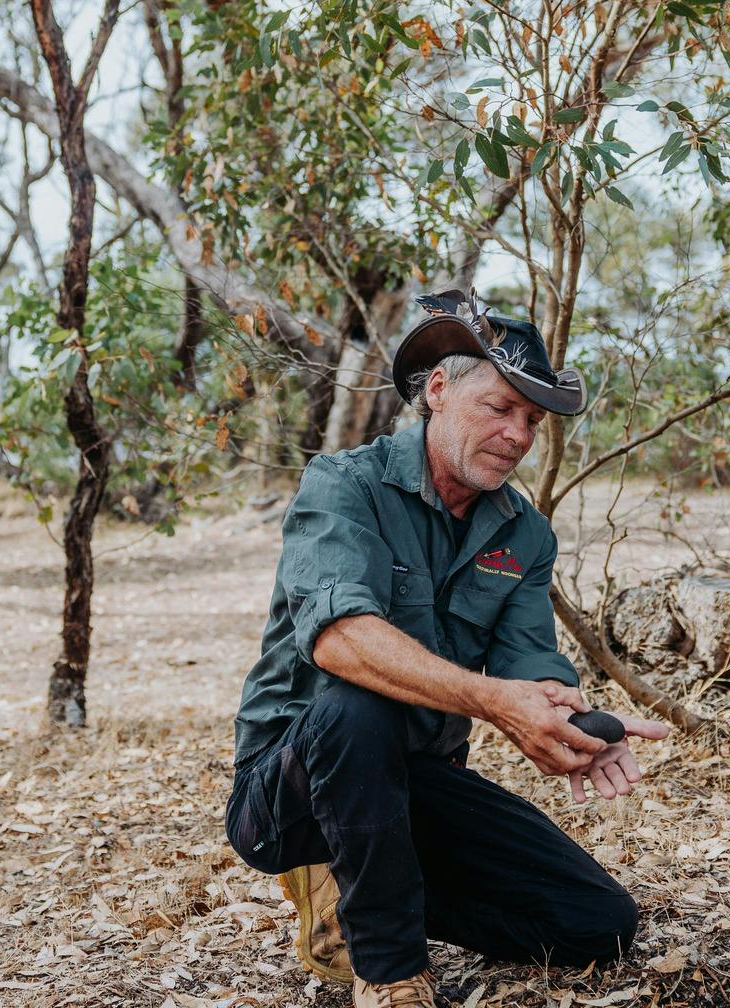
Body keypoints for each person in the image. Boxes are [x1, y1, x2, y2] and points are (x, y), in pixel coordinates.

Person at [226, 290, 671, 1008]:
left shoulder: (524, 534)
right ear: (438, 391)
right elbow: (342, 641)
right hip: (292, 788)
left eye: (533, 419)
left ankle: (368, 893)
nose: (520, 435)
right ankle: (391, 969)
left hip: (412, 783)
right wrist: (497, 704)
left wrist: (568, 716)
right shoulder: (344, 486)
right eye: (500, 408)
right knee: (355, 708)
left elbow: (529, 659)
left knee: (600, 924)